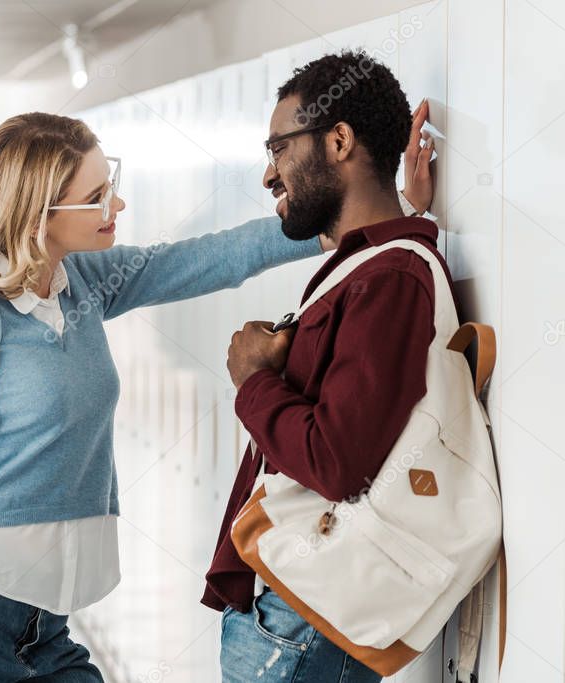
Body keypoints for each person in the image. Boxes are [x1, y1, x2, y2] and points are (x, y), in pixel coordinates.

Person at [0, 108, 430, 682]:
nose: (116, 206)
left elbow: (211, 258)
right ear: (39, 210)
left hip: (43, 621)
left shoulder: (78, 284)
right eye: (97, 195)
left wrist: (386, 212)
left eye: (110, 187)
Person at [206, 51, 438, 682]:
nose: (268, 174)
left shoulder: (389, 278)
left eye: (278, 147)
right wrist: (415, 213)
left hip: (304, 624)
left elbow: (337, 461)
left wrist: (254, 379)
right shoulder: (376, 268)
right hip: (294, 612)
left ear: (339, 140)